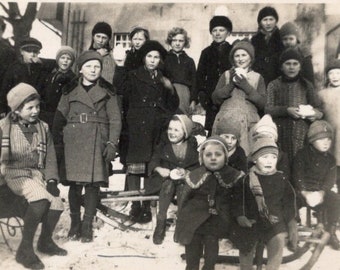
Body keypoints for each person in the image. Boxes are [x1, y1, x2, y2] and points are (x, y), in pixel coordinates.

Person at [52, 50, 122, 242]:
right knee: (74, 185)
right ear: (81, 69)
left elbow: (115, 120)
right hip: (73, 140)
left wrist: (111, 143)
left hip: (96, 140)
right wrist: (58, 143)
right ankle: (75, 223)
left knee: (92, 185)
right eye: (89, 66)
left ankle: (87, 225)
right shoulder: (69, 90)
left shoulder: (109, 91)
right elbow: (59, 118)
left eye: (97, 66)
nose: (93, 70)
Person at [0, 83, 67, 269]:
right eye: (30, 108)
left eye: (37, 106)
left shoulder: (43, 127)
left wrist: (52, 179)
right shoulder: (4, 127)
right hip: (14, 174)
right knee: (40, 198)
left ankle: (44, 241)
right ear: (17, 109)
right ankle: (25, 249)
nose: (35, 111)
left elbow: (51, 155)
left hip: (36, 174)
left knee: (56, 204)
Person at [114, 40, 179, 223]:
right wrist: (119, 66)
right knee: (135, 167)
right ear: (143, 58)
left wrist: (170, 89)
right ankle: (134, 205)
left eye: (156, 57)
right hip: (135, 127)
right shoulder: (133, 75)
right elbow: (120, 89)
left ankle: (146, 206)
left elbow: (172, 105)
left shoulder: (163, 79)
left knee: (152, 167)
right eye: (149, 56)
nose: (152, 60)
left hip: (156, 128)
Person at [175, 136, 244, 270]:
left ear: (225, 157)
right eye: (208, 155)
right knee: (193, 247)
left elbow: (237, 199)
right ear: (202, 157)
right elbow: (185, 199)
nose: (213, 158)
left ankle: (208, 267)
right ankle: (192, 267)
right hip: (194, 218)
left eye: (218, 154)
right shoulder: (195, 174)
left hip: (216, 219)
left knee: (211, 245)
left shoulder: (232, 175)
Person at [230, 137, 297, 270]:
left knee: (278, 242)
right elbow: (238, 200)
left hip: (274, 222)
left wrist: (291, 222)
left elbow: (289, 202)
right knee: (246, 246)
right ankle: (246, 267)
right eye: (264, 157)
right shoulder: (246, 180)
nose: (269, 161)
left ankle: (272, 267)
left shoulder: (281, 179)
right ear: (255, 159)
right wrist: (240, 216)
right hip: (251, 221)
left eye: (273, 157)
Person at [265, 48, 323, 163]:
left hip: (302, 132)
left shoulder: (306, 85)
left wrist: (315, 114)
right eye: (288, 64)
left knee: (300, 162)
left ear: (300, 66)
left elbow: (319, 108)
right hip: (280, 132)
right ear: (281, 67)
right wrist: (286, 110)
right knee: (282, 162)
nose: (291, 67)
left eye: (295, 64)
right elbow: (268, 108)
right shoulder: (274, 85)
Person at [150, 114, 199, 245]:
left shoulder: (191, 148)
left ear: (185, 133)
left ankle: (180, 228)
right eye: (170, 129)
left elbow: (197, 167)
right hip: (166, 180)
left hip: (183, 181)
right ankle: (160, 225)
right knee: (167, 188)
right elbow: (153, 161)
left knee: (184, 193)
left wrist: (187, 172)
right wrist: (159, 169)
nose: (172, 132)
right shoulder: (163, 146)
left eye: (176, 130)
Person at [212, 40, 266, 155]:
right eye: (237, 56)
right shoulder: (226, 75)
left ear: (250, 58)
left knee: (245, 154)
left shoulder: (257, 77)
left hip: (248, 123)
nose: (240, 59)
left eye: (244, 55)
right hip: (226, 122)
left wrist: (246, 86)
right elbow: (215, 98)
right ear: (233, 59)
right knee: (222, 153)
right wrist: (231, 84)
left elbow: (262, 103)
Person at [292, 120, 340, 250]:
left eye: (329, 139)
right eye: (322, 139)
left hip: (320, 193)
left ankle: (331, 231)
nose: (326, 142)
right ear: (312, 140)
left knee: (335, 199)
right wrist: (304, 192)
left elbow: (330, 179)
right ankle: (293, 232)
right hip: (303, 191)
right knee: (291, 199)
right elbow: (298, 176)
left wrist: (322, 192)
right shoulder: (302, 155)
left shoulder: (330, 159)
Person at [196, 15, 233, 135]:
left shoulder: (233, 51)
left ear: (228, 32)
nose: (218, 33)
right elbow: (200, 76)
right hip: (211, 99)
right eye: (214, 30)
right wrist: (202, 96)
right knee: (213, 131)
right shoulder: (206, 52)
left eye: (221, 30)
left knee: (229, 129)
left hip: (229, 96)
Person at [1, 37, 55, 115]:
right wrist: (2, 109)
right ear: (21, 52)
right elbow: (4, 90)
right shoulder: (14, 68)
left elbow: (56, 63)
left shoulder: (41, 67)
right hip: (17, 108)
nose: (32, 54)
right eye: (28, 51)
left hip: (35, 109)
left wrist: (41, 62)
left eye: (35, 52)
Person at [40, 46, 76, 129]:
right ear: (58, 59)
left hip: (59, 115)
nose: (65, 61)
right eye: (62, 57)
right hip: (45, 114)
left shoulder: (73, 79)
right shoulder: (51, 75)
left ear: (72, 62)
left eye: (69, 58)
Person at [164, 27, 197, 115]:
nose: (177, 43)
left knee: (184, 121)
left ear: (185, 42)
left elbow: (194, 82)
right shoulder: (164, 59)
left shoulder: (189, 61)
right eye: (174, 40)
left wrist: (193, 100)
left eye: (180, 41)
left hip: (185, 94)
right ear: (170, 41)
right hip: (169, 93)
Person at [318, 59, 340, 193]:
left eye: (338, 73)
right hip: (330, 138)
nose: (335, 77)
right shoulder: (322, 94)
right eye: (331, 73)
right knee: (330, 173)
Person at [250, 114, 291, 180]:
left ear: (274, 139)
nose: (266, 140)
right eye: (262, 137)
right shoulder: (252, 155)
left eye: (269, 137)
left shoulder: (282, 156)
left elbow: (285, 178)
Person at [251, 6, 284, 86]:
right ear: (260, 22)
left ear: (276, 21)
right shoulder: (255, 40)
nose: (268, 23)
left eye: (271, 19)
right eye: (265, 20)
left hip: (278, 79)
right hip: (260, 80)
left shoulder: (282, 37)